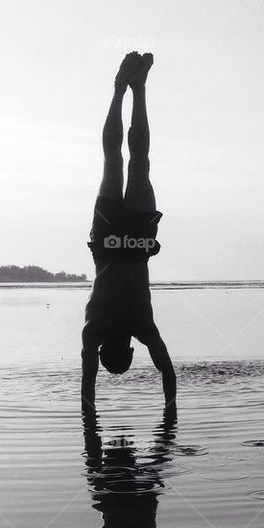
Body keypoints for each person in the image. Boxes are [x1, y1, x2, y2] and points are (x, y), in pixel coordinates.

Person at [81, 51, 176, 415]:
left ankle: (137, 89)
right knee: (115, 161)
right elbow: (87, 388)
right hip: (108, 242)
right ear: (107, 349)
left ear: (131, 350)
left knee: (137, 162)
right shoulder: (94, 332)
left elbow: (167, 372)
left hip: (134, 243)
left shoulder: (143, 328)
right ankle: (124, 88)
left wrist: (170, 414)